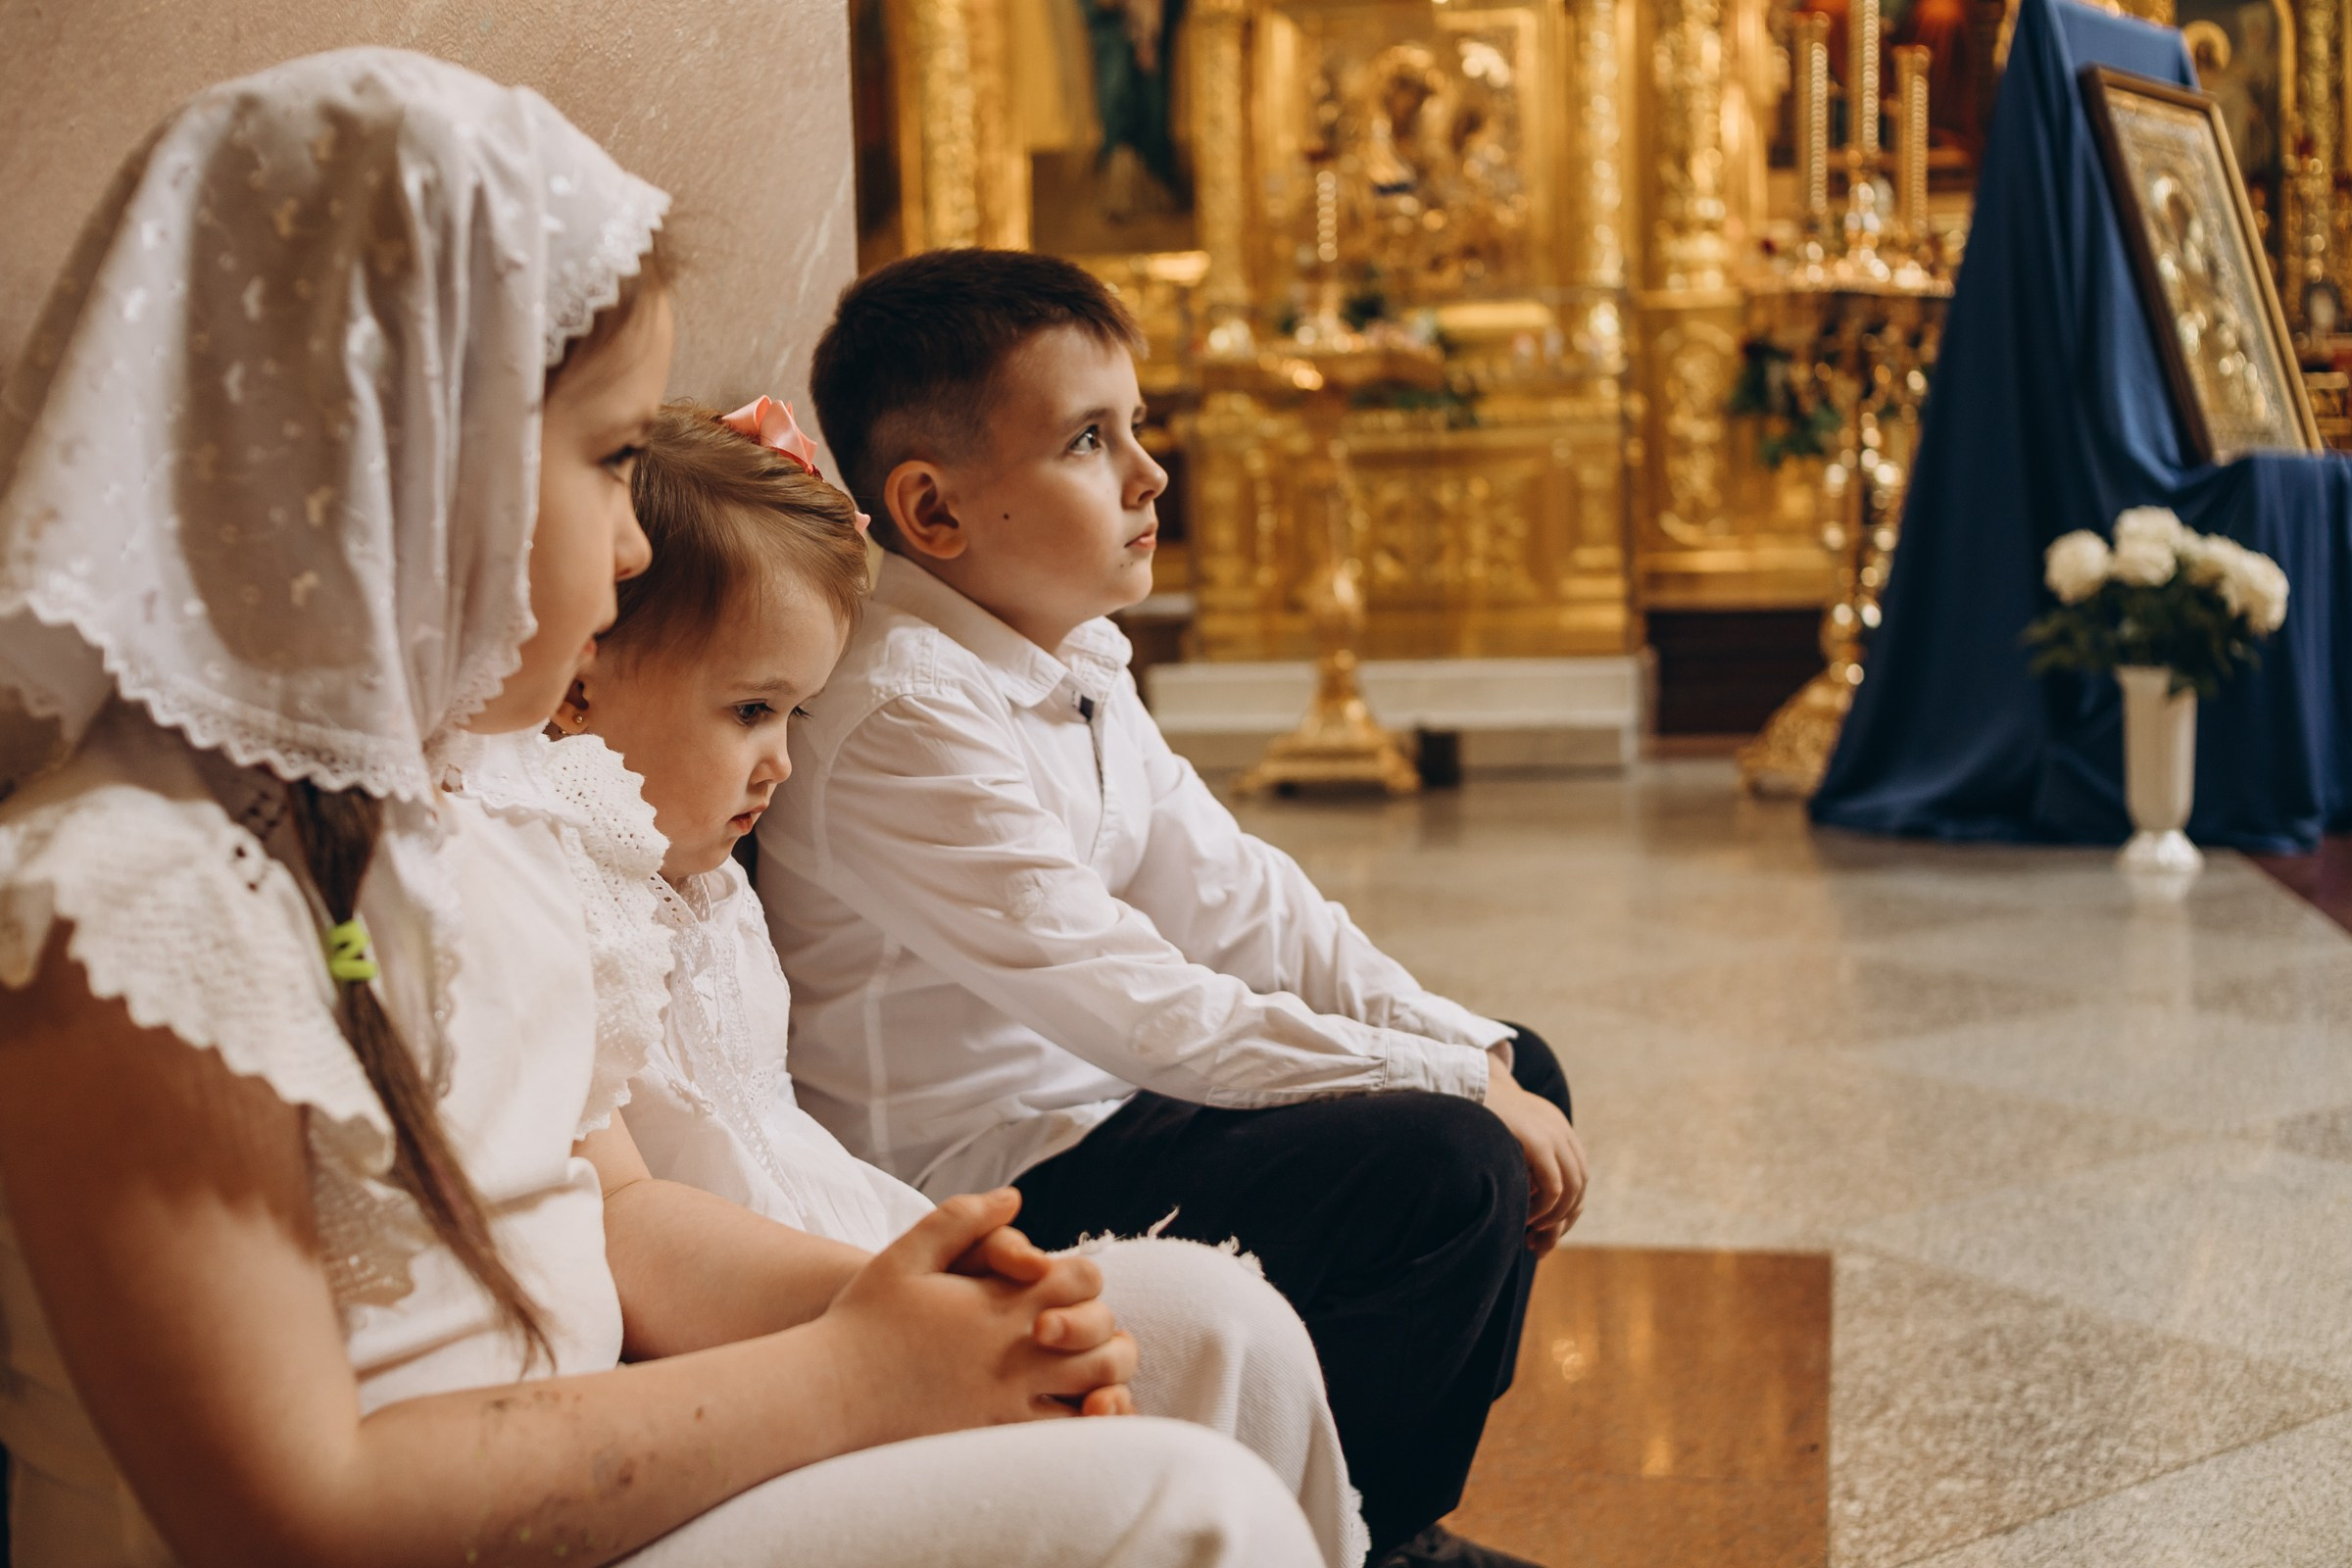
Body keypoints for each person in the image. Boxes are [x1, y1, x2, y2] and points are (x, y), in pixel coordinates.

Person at [0, 52, 1321, 1568]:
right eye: (614, 464)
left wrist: (918, 1302)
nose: (633, 551)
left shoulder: (485, 809)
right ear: (409, 467)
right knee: (1177, 1508)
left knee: (1211, 1327)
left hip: (590, 1454)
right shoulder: (127, 903)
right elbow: (289, 1507)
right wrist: (842, 1379)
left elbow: (617, 1219)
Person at [760, 246, 1585, 1568]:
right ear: (932, 509)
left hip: (1107, 1109)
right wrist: (1453, 1091)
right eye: (1092, 440)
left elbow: (1244, 898)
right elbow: (1141, 1003)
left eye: (1139, 428)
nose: (1151, 474)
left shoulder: (1065, 650)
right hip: (989, 1182)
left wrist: (1458, 1046)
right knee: (1452, 1166)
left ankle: (1374, 1517)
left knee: (1507, 1065)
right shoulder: (903, 710)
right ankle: (1362, 1541)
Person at [547, 394, 1368, 1567]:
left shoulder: (706, 875)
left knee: (1235, 1322)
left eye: (795, 710)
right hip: (732, 1333)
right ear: (582, 681)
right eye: (750, 710)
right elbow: (632, 1223)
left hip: (845, 1224)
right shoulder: (560, 886)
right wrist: (892, 1305)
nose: (782, 755)